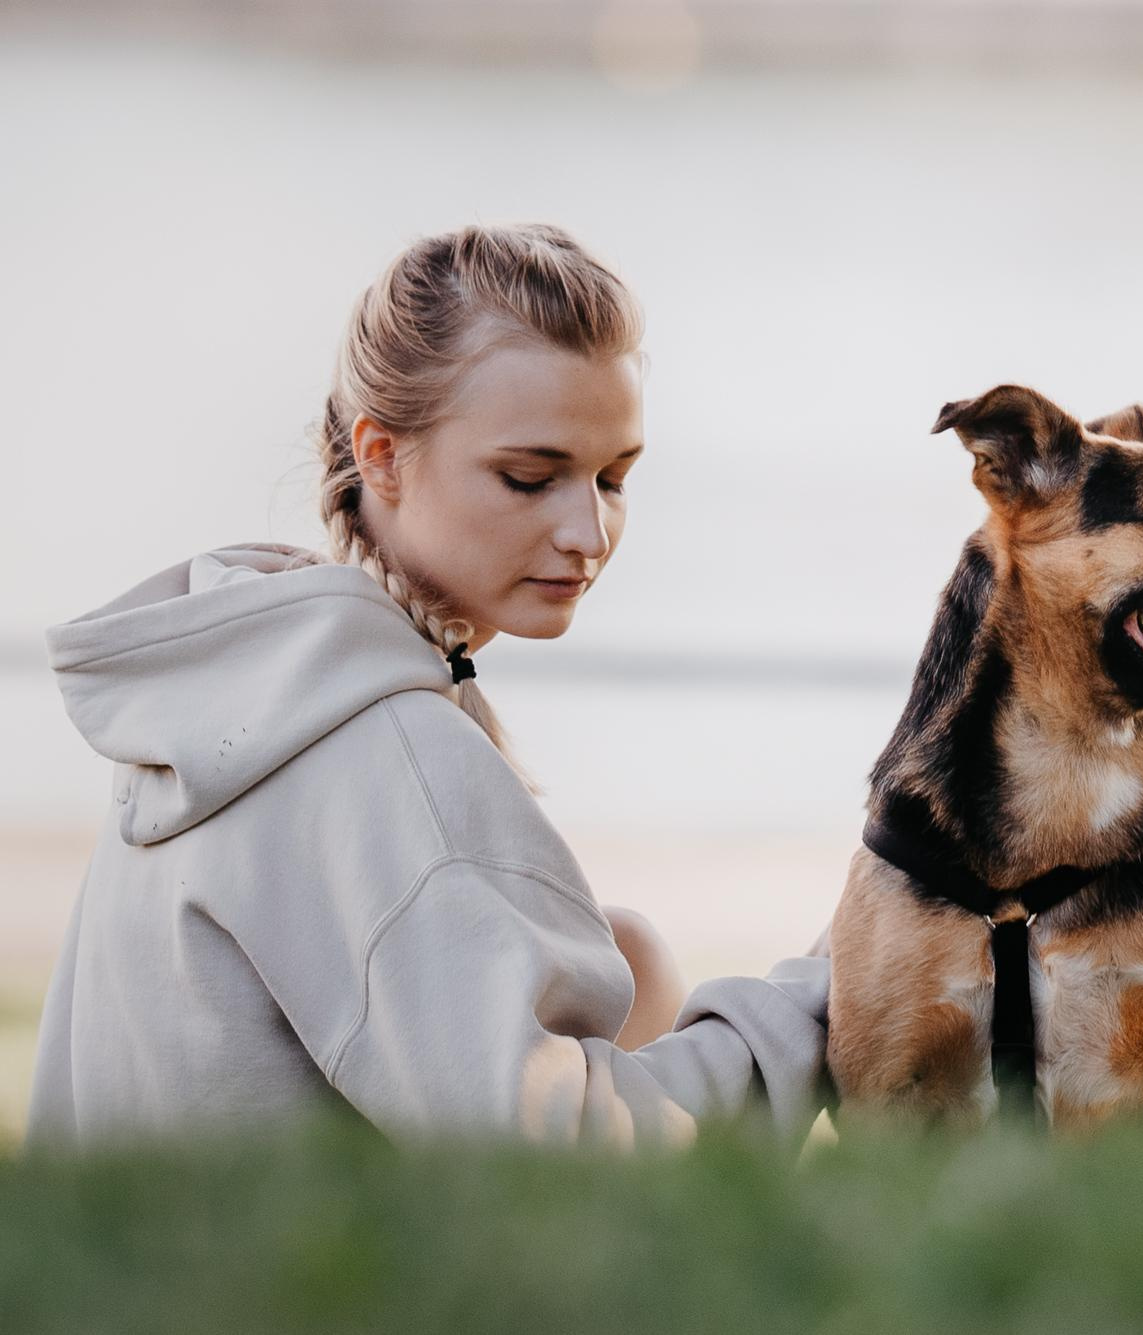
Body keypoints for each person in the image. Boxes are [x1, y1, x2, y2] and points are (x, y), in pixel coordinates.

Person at [28, 223, 828, 1149]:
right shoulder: (380, 752)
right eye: (531, 478)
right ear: (379, 454)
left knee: (632, 957)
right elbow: (562, 1156)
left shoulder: (237, 691)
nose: (590, 532)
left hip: (161, 1281)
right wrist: (827, 993)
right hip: (308, 1291)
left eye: (613, 478)